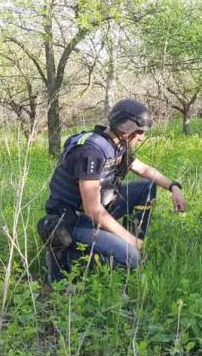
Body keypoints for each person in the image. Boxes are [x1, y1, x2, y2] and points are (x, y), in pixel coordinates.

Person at [38, 99, 187, 283]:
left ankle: (127, 239)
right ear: (126, 131)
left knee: (146, 186)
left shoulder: (118, 145)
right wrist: (130, 241)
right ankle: (73, 258)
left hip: (103, 208)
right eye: (139, 132)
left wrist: (174, 187)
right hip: (76, 220)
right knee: (132, 259)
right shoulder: (90, 151)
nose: (141, 138)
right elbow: (93, 210)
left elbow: (144, 170)